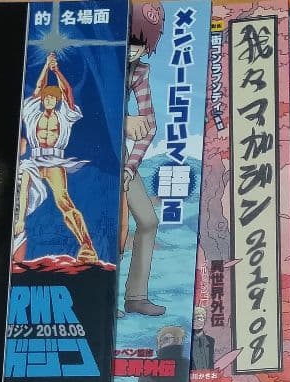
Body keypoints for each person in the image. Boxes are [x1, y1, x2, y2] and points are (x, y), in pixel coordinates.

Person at [14, 52, 98, 263]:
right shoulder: (32, 114)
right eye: (47, 97)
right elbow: (37, 88)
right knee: (19, 196)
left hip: (54, 162)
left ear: (57, 100)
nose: (49, 99)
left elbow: (68, 92)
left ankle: (87, 247)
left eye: (53, 97)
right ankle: (15, 239)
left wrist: (56, 70)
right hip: (34, 162)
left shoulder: (64, 116)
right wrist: (45, 67)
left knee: (63, 201)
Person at [121, 2, 166, 315]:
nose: (133, 50)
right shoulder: (95, 63)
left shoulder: (138, 71)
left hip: (121, 159)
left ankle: (135, 296)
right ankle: (102, 297)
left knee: (148, 221)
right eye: (129, 42)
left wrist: (129, 168)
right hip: (86, 157)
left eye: (140, 44)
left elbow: (149, 125)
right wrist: (123, 122)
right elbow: (79, 112)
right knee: (110, 226)